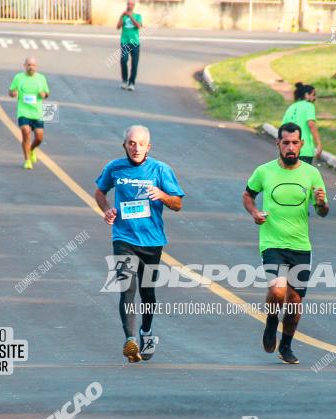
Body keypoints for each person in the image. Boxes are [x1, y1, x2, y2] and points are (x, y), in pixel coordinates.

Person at [93, 125, 184, 363]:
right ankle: (129, 339)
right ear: (124, 145)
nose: (136, 148)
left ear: (148, 147)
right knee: (127, 289)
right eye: (131, 143)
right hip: (123, 238)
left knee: (147, 293)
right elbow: (99, 192)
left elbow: (177, 204)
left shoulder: (160, 170)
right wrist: (106, 210)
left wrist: (162, 195)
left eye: (141, 144)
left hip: (152, 241)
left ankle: (146, 332)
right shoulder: (114, 168)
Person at [242, 122, 329, 365]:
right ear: (278, 144)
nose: (290, 147)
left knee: (294, 301)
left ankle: (287, 346)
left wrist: (321, 203)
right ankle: (271, 322)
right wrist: (254, 213)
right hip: (272, 242)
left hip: (301, 246)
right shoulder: (264, 171)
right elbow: (248, 194)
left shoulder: (312, 174)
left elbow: (322, 212)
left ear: (301, 144)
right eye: (285, 143)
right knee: (278, 291)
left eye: (295, 143)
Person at [9, 57, 50, 170]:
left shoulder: (41, 78)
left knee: (39, 138)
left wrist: (44, 95)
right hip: (23, 111)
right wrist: (13, 93)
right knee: (26, 132)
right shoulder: (18, 77)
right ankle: (27, 160)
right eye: (28, 65)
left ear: (35, 67)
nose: (30, 67)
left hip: (37, 113)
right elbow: (11, 91)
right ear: (24, 66)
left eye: (32, 65)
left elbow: (47, 93)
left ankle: (31, 149)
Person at [281, 83, 322, 165]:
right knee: (303, 177)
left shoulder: (291, 107)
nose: (315, 98)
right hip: (304, 150)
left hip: (289, 151)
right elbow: (311, 124)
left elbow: (282, 129)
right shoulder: (309, 106)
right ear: (307, 95)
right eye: (313, 95)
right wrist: (319, 144)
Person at [117, 1, 142, 91]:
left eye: (131, 4)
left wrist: (130, 16)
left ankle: (131, 83)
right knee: (123, 60)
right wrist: (121, 16)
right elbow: (118, 27)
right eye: (128, 4)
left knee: (134, 64)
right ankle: (124, 80)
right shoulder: (124, 16)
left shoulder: (138, 16)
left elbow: (138, 26)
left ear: (133, 6)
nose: (129, 6)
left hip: (135, 42)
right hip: (125, 42)